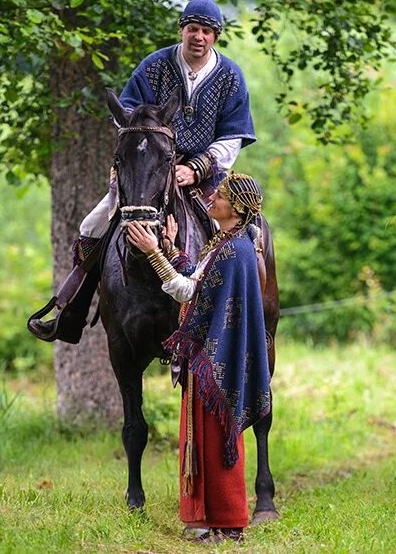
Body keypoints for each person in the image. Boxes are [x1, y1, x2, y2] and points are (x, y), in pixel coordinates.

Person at [28, 0, 257, 342]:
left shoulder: (230, 76)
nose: (199, 37)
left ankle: (243, 321)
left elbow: (232, 137)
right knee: (91, 225)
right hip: (148, 169)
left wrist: (196, 168)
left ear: (215, 37)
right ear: (182, 30)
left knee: (245, 234)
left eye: (206, 31)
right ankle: (71, 313)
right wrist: (144, 151)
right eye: (193, 29)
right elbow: (125, 115)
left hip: (206, 172)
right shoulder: (155, 65)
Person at [127, 172, 270, 543]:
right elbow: (199, 276)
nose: (212, 199)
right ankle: (209, 519)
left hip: (213, 358)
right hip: (209, 355)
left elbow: (187, 290)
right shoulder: (228, 244)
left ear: (236, 207)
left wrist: (153, 253)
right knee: (204, 439)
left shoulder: (233, 251)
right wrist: (174, 249)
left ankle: (226, 522)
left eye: (219, 195)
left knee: (213, 439)